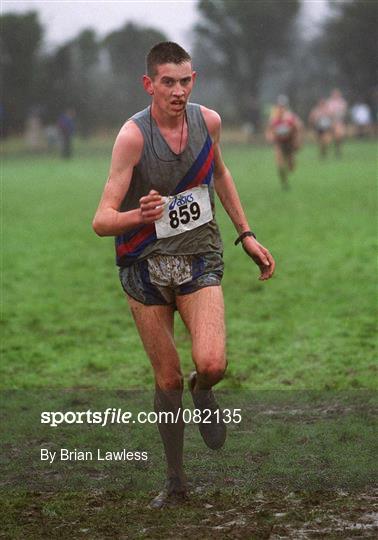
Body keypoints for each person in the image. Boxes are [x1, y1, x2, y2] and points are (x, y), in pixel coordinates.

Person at [92, 42, 275, 508]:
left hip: (199, 258)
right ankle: (175, 482)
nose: (178, 91)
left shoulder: (207, 122)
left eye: (186, 80)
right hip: (143, 266)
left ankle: (204, 389)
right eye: (168, 82)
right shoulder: (133, 137)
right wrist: (140, 214)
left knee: (212, 364)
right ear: (149, 83)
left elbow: (222, 173)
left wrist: (247, 233)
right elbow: (101, 221)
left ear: (195, 79)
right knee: (166, 380)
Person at [265, 95, 303, 190]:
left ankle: (289, 165)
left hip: (289, 143)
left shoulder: (290, 118)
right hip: (279, 143)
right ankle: (284, 182)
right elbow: (269, 131)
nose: (281, 108)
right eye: (279, 106)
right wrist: (270, 136)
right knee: (280, 165)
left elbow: (298, 128)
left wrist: (297, 141)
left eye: (283, 106)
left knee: (291, 166)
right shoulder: (273, 119)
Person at [326, 89, 347, 157]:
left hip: (339, 122)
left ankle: (338, 149)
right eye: (334, 94)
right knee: (328, 138)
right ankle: (327, 150)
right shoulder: (329, 102)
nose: (335, 95)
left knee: (339, 136)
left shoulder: (342, 102)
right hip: (330, 122)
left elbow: (344, 112)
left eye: (337, 94)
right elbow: (328, 113)